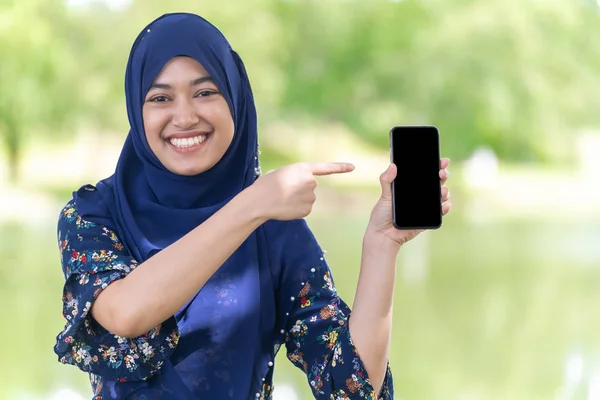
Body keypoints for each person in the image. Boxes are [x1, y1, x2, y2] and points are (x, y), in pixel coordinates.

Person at [53, 12, 451, 400]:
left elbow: (352, 388)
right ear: (136, 113)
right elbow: (126, 313)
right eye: (160, 97)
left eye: (205, 92)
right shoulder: (93, 217)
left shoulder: (274, 227)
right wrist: (253, 204)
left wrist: (382, 245)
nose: (185, 116)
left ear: (235, 99)